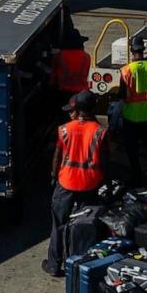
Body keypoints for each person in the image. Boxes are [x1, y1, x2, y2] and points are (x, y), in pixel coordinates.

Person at [43, 91, 108, 277]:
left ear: (78, 110)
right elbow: (105, 160)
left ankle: (54, 265)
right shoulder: (100, 131)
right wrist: (108, 184)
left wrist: (54, 176)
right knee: (85, 225)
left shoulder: (64, 129)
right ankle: (81, 264)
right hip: (90, 183)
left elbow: (57, 156)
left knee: (59, 224)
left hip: (66, 182)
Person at [117, 37, 147, 184]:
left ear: (131, 51)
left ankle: (136, 178)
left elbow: (122, 95)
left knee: (132, 150)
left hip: (131, 117)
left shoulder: (126, 70)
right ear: (143, 50)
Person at [51, 30, 90, 95]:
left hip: (64, 91)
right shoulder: (86, 56)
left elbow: (53, 77)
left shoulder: (60, 55)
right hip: (82, 91)